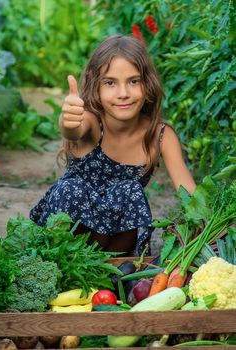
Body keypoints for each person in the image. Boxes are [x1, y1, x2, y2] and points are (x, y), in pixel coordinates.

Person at [30, 34, 196, 256]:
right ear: (95, 87)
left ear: (148, 84)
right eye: (110, 83)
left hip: (117, 245)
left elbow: (191, 197)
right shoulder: (91, 121)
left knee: (130, 190)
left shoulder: (160, 135)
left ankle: (114, 270)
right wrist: (68, 120)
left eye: (133, 81)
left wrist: (213, 226)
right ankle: (62, 262)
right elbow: (73, 129)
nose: (123, 93)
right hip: (69, 238)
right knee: (71, 189)